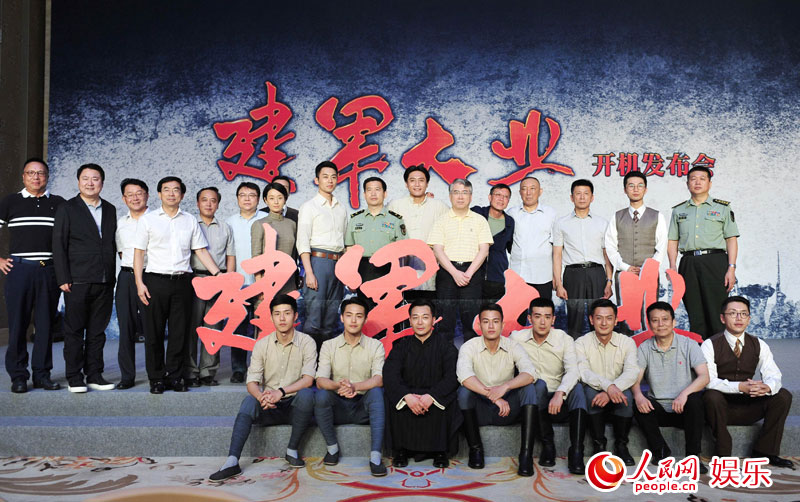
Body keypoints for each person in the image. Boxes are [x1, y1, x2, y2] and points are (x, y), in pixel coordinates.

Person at [208, 294, 317, 481]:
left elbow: (308, 380)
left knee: (307, 395)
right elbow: (252, 382)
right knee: (249, 401)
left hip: (295, 407)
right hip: (269, 406)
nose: (282, 318)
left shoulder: (307, 342)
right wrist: (261, 397)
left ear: (295, 316)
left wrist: (280, 392)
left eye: (287, 313)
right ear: (272, 317)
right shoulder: (262, 345)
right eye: (277, 314)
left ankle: (292, 450)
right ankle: (232, 461)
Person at [133, 176, 221, 394]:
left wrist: (219, 275)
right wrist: (139, 283)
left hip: (182, 283)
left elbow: (200, 250)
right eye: (166, 189)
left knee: (179, 333)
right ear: (159, 194)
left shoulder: (189, 220)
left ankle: (175, 376)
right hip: (155, 281)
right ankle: (156, 378)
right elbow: (139, 253)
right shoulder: (148, 220)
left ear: (182, 195)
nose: (171, 194)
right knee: (153, 333)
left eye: (176, 190)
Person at [701, 296, 794, 468]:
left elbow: (774, 374)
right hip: (720, 409)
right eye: (733, 313)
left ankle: (765, 451)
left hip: (749, 407)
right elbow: (708, 381)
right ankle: (723, 454)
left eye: (743, 314)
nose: (739, 318)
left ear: (749, 319)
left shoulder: (759, 344)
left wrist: (766, 387)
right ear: (722, 318)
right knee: (711, 395)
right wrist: (740, 387)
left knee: (783, 395)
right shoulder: (709, 344)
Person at [1, 158, 65, 393]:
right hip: (20, 270)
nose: (36, 177)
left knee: (45, 325)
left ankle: (42, 375)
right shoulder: (10, 202)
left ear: (47, 176)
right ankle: (18, 376)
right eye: (31, 173)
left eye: (40, 173)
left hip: (48, 270)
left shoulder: (58, 203)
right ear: (23, 176)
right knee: (18, 324)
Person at [53, 163, 118, 393]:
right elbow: (58, 244)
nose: (90, 183)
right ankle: (74, 377)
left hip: (104, 279)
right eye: (86, 178)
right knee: (74, 331)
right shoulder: (67, 208)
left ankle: (95, 375)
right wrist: (63, 277)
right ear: (79, 181)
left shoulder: (110, 209)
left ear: (102, 182)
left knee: (97, 332)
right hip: (77, 279)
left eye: (95, 179)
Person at [456, 303, 538, 476]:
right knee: (463, 392)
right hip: (480, 409)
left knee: (529, 388)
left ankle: (526, 455)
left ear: (502, 325)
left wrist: (505, 387)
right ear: (479, 325)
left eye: (495, 321)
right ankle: (476, 450)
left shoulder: (513, 346)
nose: (491, 326)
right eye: (486, 321)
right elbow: (464, 376)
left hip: (506, 409)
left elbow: (530, 373)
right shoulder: (469, 347)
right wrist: (493, 396)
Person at [510, 297, 587, 474]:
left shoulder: (564, 339)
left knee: (577, 388)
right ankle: (547, 444)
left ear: (553, 319)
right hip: (534, 400)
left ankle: (576, 451)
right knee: (537, 385)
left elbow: (573, 371)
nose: (542, 322)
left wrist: (560, 393)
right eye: (537, 316)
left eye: (547, 317)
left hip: (559, 400)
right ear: (530, 318)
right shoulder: (517, 338)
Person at [383, 298, 461, 468]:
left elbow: (452, 376)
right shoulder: (401, 346)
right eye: (415, 317)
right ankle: (401, 450)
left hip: (435, 396)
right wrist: (407, 396)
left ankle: (440, 451)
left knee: (450, 397)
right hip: (409, 396)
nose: (420, 322)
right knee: (391, 396)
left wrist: (431, 396)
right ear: (409, 320)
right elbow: (390, 374)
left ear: (434, 320)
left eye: (425, 317)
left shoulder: (446, 347)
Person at [632, 302, 709, 472]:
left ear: (674, 322)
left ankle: (693, 457)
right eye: (655, 320)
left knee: (695, 401)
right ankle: (660, 451)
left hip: (684, 408)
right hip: (659, 408)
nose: (661, 324)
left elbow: (704, 376)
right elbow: (635, 380)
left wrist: (684, 394)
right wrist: (638, 396)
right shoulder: (644, 348)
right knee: (638, 402)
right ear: (649, 324)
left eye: (665, 319)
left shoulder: (689, 344)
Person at [314, 297, 387, 476]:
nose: (353, 320)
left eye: (359, 316)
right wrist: (338, 385)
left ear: (365, 319)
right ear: (342, 318)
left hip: (363, 406)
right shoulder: (329, 345)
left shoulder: (375, 346)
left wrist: (355, 386)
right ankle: (332, 448)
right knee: (321, 395)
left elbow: (379, 379)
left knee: (377, 393)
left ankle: (375, 457)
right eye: (349, 315)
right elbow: (320, 380)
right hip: (338, 405)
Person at [668, 166, 739, 339]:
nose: (697, 182)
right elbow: (672, 240)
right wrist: (672, 267)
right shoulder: (679, 210)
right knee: (695, 312)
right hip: (688, 263)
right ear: (687, 184)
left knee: (717, 311)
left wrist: (731, 268)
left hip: (715, 261)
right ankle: (699, 352)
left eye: (702, 178)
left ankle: (719, 351)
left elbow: (731, 239)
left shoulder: (722, 207)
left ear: (709, 183)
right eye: (693, 179)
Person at [428, 179, 493, 343]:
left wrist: (468, 273)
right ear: (450, 196)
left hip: (473, 273)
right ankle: (445, 356)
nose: (460, 196)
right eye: (456, 192)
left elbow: (484, 250)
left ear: (471, 196)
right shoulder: (441, 220)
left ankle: (471, 356)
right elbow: (437, 250)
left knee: (471, 320)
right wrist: (455, 273)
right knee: (445, 319)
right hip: (447, 272)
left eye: (465, 192)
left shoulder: (480, 220)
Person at [575, 299, 638, 465]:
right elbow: (583, 372)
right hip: (595, 391)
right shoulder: (581, 343)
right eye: (599, 318)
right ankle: (599, 445)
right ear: (591, 320)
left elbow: (632, 372)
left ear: (616, 320)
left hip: (618, 391)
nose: (604, 323)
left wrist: (612, 389)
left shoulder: (627, 342)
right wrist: (608, 387)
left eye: (609, 318)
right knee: (588, 393)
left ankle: (621, 445)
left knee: (626, 396)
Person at [604, 171, 667, 334]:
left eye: (640, 185)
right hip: (624, 274)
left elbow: (661, 246)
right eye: (631, 186)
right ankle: (627, 348)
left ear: (645, 189)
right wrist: (624, 267)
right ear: (625, 190)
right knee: (626, 317)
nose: (636, 189)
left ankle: (650, 347)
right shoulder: (617, 216)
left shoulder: (657, 216)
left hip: (649, 275)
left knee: (650, 314)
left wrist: (649, 269)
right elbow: (610, 245)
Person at [185, 187, 235, 387]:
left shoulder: (225, 228)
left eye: (213, 200)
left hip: (219, 280)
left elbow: (230, 256)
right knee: (191, 328)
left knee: (213, 329)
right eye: (204, 200)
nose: (208, 204)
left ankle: (208, 371)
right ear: (197, 203)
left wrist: (228, 282)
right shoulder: (189, 224)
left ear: (218, 204)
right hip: (194, 279)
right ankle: (190, 371)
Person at [297, 161, 347, 350]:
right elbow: (302, 241)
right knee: (315, 317)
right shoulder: (309, 207)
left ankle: (325, 362)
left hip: (338, 264)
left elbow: (343, 241)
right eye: (325, 177)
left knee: (331, 317)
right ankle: (309, 362)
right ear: (317, 180)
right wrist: (309, 272)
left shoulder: (341, 208)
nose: (330, 180)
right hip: (317, 263)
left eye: (333, 177)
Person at [553, 179, 613, 339]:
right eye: (578, 194)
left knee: (599, 315)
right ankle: (574, 351)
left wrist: (609, 281)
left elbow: (607, 254)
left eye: (586, 193)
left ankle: (599, 351)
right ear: (571, 197)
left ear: (592, 197)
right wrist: (558, 283)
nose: (582, 197)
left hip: (597, 273)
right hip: (573, 274)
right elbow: (557, 254)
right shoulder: (561, 223)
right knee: (574, 318)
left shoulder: (602, 223)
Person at [387, 165, 448, 302]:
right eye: (412, 180)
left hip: (429, 268)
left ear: (427, 183)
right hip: (401, 267)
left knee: (426, 306)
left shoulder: (439, 206)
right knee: (401, 307)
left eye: (421, 180)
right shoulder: (395, 205)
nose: (417, 184)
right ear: (406, 184)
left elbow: (450, 233)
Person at [345, 176, 406, 308]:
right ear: (364, 194)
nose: (373, 193)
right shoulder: (355, 219)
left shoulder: (395, 220)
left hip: (387, 270)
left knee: (386, 310)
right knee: (364, 310)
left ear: (385, 194)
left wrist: (399, 276)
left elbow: (402, 251)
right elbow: (349, 250)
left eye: (377, 189)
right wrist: (350, 277)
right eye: (369, 190)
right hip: (362, 269)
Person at [115, 178, 149, 389]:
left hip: (151, 275)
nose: (135, 198)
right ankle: (127, 376)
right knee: (126, 327)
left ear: (147, 195)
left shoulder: (156, 219)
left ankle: (156, 372)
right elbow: (121, 252)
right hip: (126, 276)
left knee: (152, 328)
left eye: (139, 193)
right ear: (124, 198)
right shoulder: (120, 223)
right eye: (130, 194)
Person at [227, 182, 262, 383]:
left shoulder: (265, 220)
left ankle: (259, 368)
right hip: (238, 283)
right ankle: (238, 369)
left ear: (258, 199)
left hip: (260, 282)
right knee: (238, 327)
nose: (247, 199)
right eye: (243, 195)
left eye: (252, 195)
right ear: (237, 199)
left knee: (261, 328)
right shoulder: (229, 222)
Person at [507, 176, 558, 304]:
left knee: (542, 312)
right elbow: (508, 242)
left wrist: (556, 276)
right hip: (518, 274)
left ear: (540, 191)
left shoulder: (550, 213)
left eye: (532, 188)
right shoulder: (511, 213)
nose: (528, 193)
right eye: (524, 189)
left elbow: (557, 247)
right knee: (517, 313)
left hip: (543, 275)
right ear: (520, 192)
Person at [470, 183, 514, 302]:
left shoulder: (510, 222)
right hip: (472, 275)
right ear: (490, 197)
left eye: (505, 197)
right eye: (498, 195)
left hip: (497, 277)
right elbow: (458, 212)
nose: (501, 199)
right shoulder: (477, 213)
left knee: (494, 310)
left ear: (508, 201)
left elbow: (510, 247)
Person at [251, 182, 297, 295]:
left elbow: (294, 254)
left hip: (288, 280)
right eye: (271, 198)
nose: (276, 202)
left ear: (285, 199)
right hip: (267, 280)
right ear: (266, 200)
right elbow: (256, 256)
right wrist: (259, 283)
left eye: (280, 198)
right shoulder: (259, 224)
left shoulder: (292, 224)